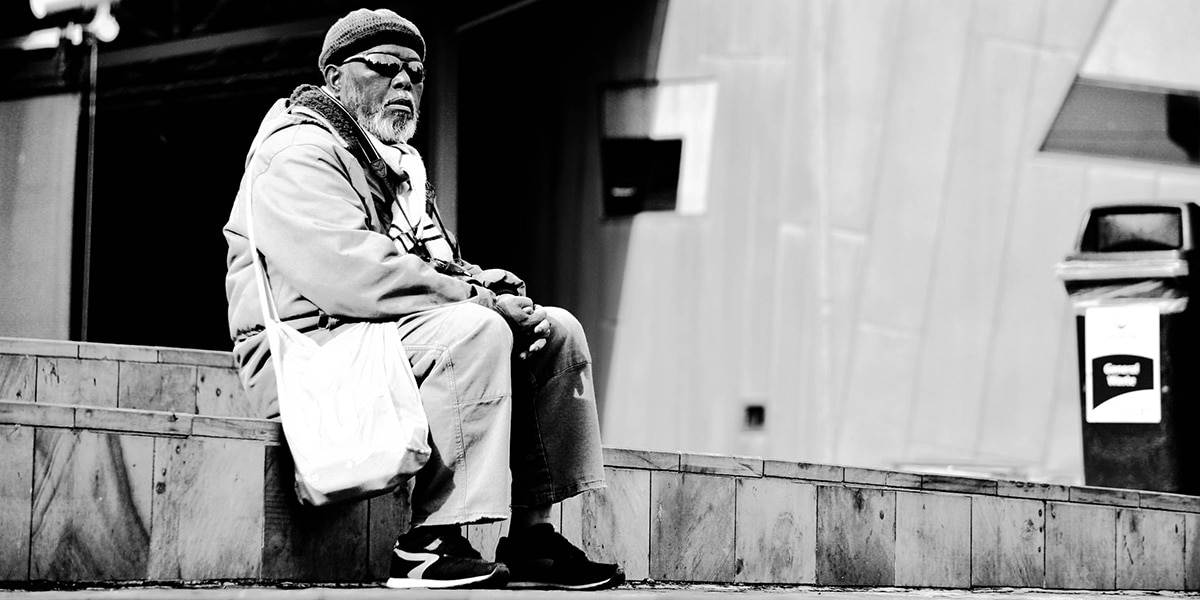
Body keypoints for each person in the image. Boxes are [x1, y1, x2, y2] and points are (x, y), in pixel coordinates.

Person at [222, 8, 623, 591]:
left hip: (370, 334)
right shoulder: (297, 154)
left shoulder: (392, 163)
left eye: (416, 72)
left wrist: (482, 283)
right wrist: (478, 303)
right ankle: (430, 541)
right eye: (385, 68)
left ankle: (533, 535)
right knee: (476, 329)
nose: (405, 83)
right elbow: (356, 275)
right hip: (309, 350)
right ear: (334, 79)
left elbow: (421, 262)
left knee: (553, 329)